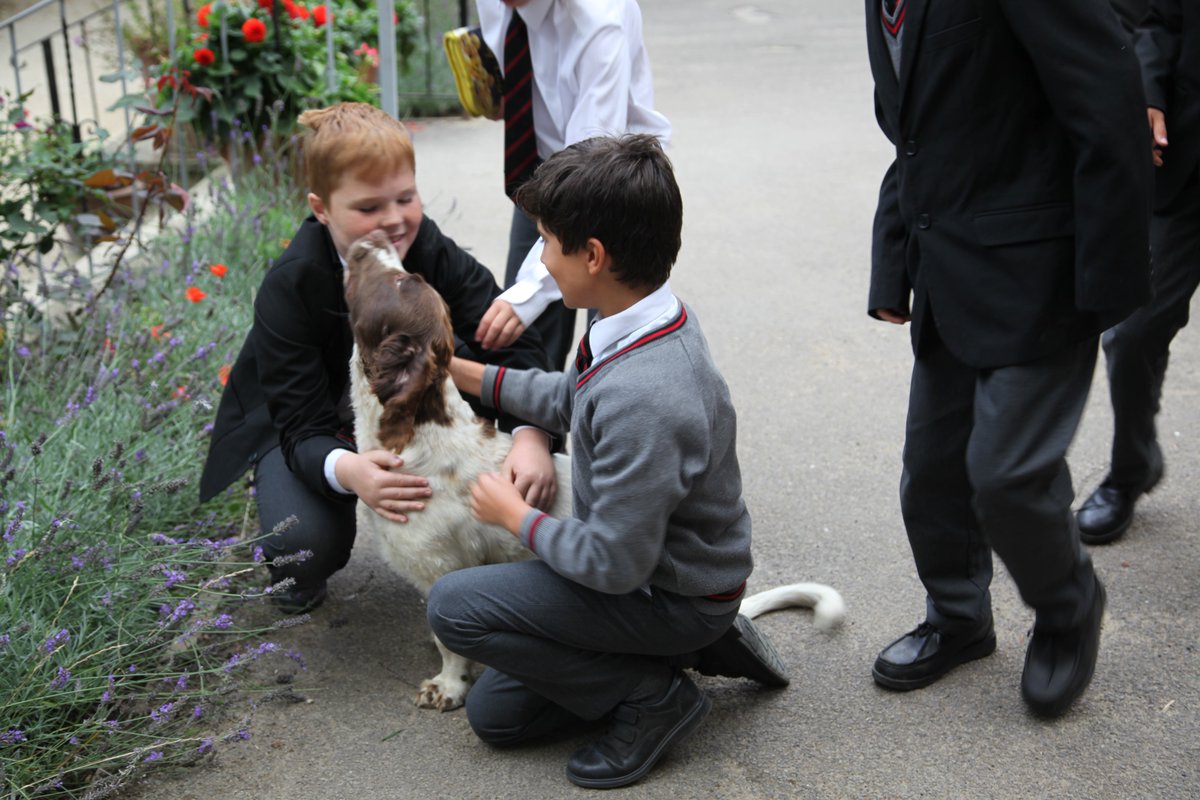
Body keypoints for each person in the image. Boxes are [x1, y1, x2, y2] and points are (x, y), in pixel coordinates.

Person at [426, 134, 787, 790]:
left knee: (454, 606)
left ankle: (660, 696)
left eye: (546, 241)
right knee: (497, 716)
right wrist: (465, 373)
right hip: (662, 574)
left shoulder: (646, 396)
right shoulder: (642, 317)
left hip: (661, 590)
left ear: (593, 256)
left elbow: (611, 565)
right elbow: (573, 397)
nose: (539, 256)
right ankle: (696, 648)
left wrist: (514, 517)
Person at [864, 1, 1152, 717]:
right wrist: (893, 261)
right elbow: (914, 137)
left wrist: (1104, 290)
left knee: (1008, 477)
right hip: (948, 266)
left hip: (1044, 269)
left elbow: (1108, 98)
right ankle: (958, 618)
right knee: (931, 474)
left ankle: (1066, 607)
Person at [198, 102, 558, 614]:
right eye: (368, 208)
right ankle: (298, 573)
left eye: (406, 198)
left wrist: (531, 436)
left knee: (498, 384)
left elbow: (515, 343)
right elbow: (297, 423)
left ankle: (476, 554)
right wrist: (351, 471)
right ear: (321, 209)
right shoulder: (292, 283)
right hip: (317, 427)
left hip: (408, 414)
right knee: (301, 543)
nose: (393, 221)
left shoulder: (427, 247)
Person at [471, 0, 672, 371]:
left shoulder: (600, 17)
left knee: (613, 345)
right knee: (527, 345)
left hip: (614, 180)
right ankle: (534, 428)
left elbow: (591, 172)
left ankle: (606, 421)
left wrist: (528, 294)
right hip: (541, 166)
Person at [1077, 0, 1200, 546]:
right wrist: (1148, 94)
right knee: (1130, 333)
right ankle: (1131, 468)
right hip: (1186, 169)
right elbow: (1159, 21)